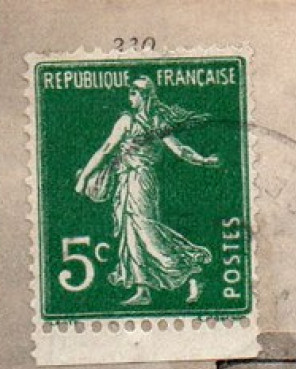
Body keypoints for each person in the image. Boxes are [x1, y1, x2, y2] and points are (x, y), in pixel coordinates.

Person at [74, 75, 218, 306]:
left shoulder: (155, 121)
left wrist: (203, 160)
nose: (130, 97)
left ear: (145, 96)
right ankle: (143, 290)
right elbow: (106, 149)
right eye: (130, 92)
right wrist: (84, 177)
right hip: (125, 180)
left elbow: (178, 149)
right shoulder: (127, 120)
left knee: (146, 230)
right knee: (130, 232)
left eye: (134, 93)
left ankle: (193, 273)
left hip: (142, 181)